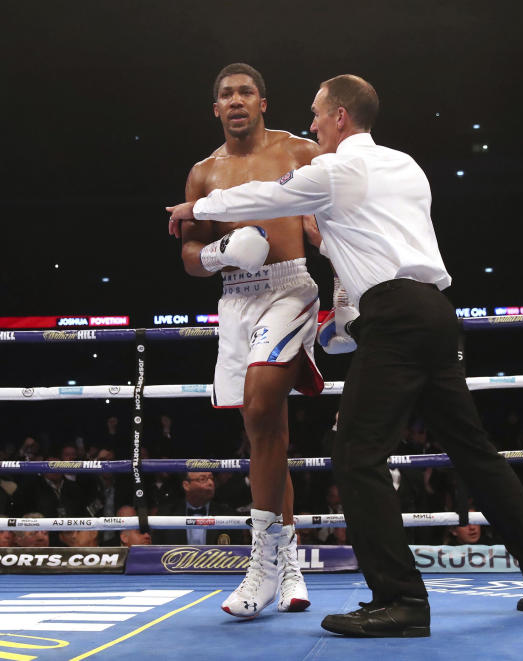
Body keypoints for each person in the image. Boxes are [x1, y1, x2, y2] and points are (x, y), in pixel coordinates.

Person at [168, 73, 523, 637]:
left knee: (355, 454)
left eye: (316, 113)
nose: (310, 123)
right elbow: (363, 234)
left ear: (338, 118)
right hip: (435, 312)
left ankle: (400, 601)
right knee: (474, 451)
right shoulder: (407, 165)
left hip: (394, 319)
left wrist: (197, 207)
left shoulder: (331, 169)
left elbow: (267, 195)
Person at [171, 63, 342, 618]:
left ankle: (260, 566)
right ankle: (287, 561)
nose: (237, 100)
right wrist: (221, 254)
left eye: (246, 91)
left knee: (264, 405)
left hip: (290, 287)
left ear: (263, 102)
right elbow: (190, 257)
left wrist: (342, 266)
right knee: (265, 429)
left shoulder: (298, 152)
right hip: (236, 299)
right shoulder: (203, 173)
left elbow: (347, 202)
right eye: (227, 94)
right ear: (216, 109)